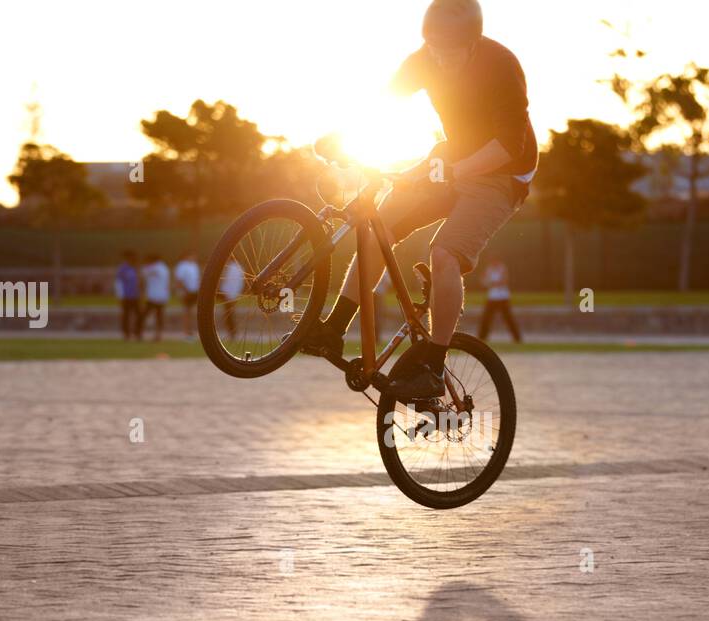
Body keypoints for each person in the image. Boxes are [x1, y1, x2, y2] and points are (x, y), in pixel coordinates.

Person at [299, 0, 537, 400]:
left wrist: (454, 172)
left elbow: (507, 147)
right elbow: (382, 103)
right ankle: (333, 329)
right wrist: (342, 136)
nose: (441, 60)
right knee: (376, 229)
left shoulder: (501, 65)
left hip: (501, 173)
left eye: (451, 52)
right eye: (435, 49)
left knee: (444, 254)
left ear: (474, 43)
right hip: (451, 156)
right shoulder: (423, 59)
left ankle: (432, 363)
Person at [476, 258, 521, 342]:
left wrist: (492, 283)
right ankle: (482, 337)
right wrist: (492, 283)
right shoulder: (489, 269)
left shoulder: (502, 268)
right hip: (492, 297)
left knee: (509, 319)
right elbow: (485, 281)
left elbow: (504, 281)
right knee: (486, 319)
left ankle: (517, 338)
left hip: (503, 297)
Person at [141, 253, 171, 342]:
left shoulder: (153, 268)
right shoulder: (164, 268)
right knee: (159, 317)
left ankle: (140, 333)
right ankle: (158, 335)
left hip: (153, 296)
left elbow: (143, 273)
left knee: (144, 315)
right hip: (162, 296)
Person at [115, 251, 141, 341]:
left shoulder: (135, 268)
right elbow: (118, 283)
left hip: (135, 296)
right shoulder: (123, 268)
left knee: (138, 315)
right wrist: (120, 296)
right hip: (126, 296)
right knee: (126, 316)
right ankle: (126, 334)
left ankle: (137, 333)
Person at [174, 252, 201, 338]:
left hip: (194, 292)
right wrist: (186, 291)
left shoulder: (194, 266)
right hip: (186, 292)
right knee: (186, 312)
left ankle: (191, 331)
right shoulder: (182, 266)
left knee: (193, 312)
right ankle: (186, 331)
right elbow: (179, 280)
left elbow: (197, 279)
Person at [220, 258, 244, 339]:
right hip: (235, 293)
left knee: (228, 314)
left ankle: (231, 333)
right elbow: (241, 282)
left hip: (227, 293)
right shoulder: (239, 267)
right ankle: (233, 332)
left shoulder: (228, 267)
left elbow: (223, 279)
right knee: (231, 313)